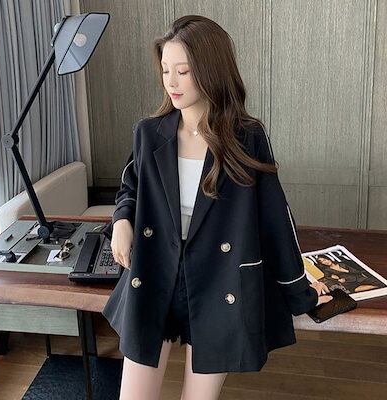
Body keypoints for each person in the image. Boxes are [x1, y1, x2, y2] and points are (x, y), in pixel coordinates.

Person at [104, 15, 333, 400]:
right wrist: (122, 221)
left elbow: (275, 220)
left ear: (211, 70)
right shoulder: (149, 133)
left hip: (217, 282)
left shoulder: (246, 137)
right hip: (155, 275)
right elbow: (131, 187)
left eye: (183, 71)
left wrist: (300, 289)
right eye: (165, 70)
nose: (171, 82)